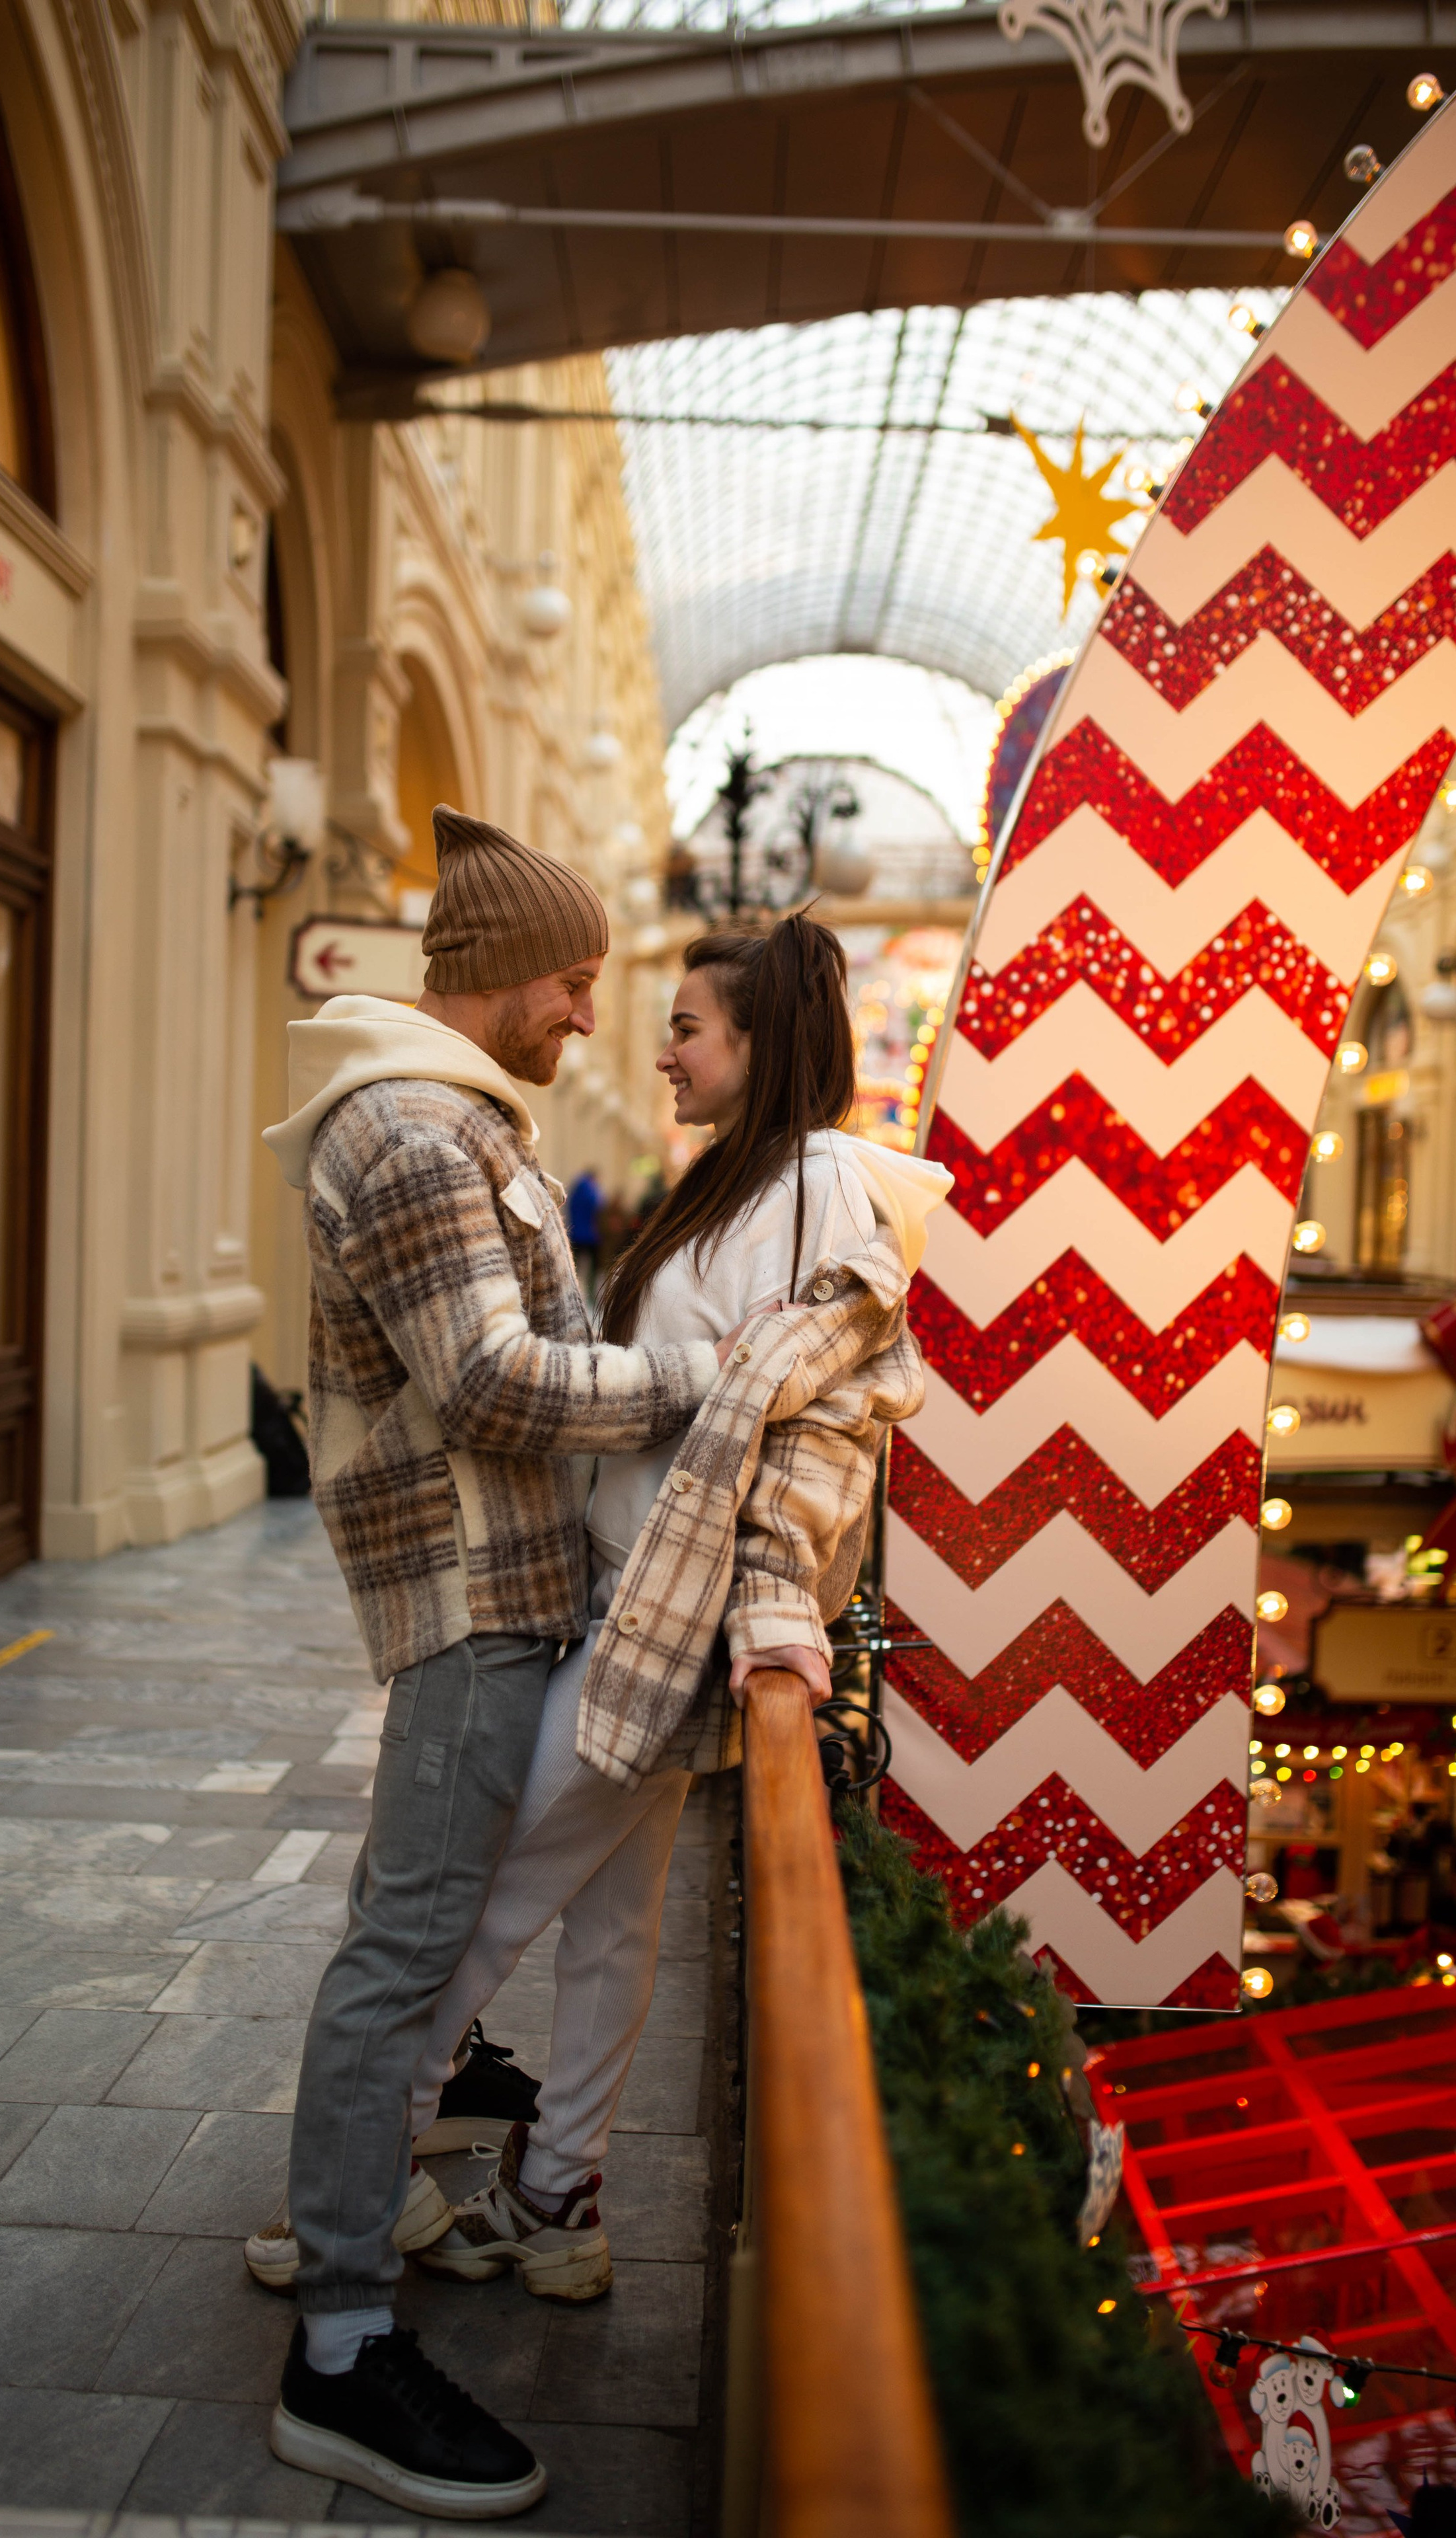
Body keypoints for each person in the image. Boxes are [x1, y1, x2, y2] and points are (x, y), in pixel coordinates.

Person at [256, 808, 769, 2519]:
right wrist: (706, 1389)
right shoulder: (412, 1130)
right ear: (498, 973)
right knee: (407, 1951)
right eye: (572, 978)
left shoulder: (456, 1116)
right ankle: (339, 2346)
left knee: (423, 1938)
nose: (585, 1013)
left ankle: (356, 2245)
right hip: (472, 1589)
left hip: (509, 1578)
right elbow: (485, 1378)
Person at [406, 912, 951, 2300]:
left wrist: (772, 1607)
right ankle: (560, 2196)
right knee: (610, 1923)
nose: (659, 1052)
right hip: (645, 1604)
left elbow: (810, 1428)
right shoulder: (746, 1178)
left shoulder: (818, 1186)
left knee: (488, 1889)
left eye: (688, 1028)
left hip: (669, 1620)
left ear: (760, 1044)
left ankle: (372, 2164)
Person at [566, 1163, 602, 1299]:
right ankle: (592, 1294)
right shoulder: (591, 1190)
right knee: (593, 1268)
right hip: (590, 1235)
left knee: (574, 1267)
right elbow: (599, 1206)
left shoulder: (575, 1190)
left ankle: (571, 1293)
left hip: (575, 1233)